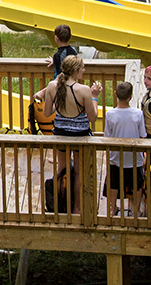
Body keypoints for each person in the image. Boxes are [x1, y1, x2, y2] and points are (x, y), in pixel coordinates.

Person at [33, 56, 101, 213]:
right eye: (82, 68)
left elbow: (48, 111)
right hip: (80, 135)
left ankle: (61, 205)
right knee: (79, 172)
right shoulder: (84, 90)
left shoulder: (52, 86)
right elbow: (92, 118)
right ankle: (77, 207)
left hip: (60, 134)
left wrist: (61, 103)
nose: (84, 70)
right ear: (76, 70)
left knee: (61, 170)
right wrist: (95, 97)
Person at [104, 81, 146, 216]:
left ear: (115, 94)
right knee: (137, 184)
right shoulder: (138, 113)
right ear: (131, 96)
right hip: (134, 156)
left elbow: (107, 136)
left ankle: (112, 208)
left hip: (116, 156)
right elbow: (142, 135)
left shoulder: (110, 114)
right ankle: (136, 209)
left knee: (113, 183)